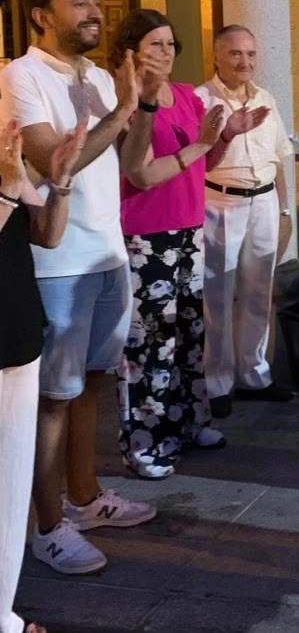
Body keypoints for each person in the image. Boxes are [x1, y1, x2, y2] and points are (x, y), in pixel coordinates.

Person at [0, 0, 155, 577]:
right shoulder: (22, 75)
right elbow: (49, 161)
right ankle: (47, 529)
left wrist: (141, 108)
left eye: (95, 2)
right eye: (80, 3)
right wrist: (120, 112)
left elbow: (128, 162)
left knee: (91, 384)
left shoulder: (97, 77)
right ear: (43, 16)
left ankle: (85, 500)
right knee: (51, 401)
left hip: (106, 252)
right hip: (56, 261)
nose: (95, 13)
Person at [113, 10, 266, 478]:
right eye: (154, 45)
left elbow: (205, 161)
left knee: (188, 333)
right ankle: (146, 442)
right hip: (146, 234)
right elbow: (141, 174)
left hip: (188, 227)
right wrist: (200, 145)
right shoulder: (128, 102)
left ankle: (189, 420)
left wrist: (226, 137)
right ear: (131, 53)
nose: (165, 53)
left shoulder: (184, 95)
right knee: (150, 342)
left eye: (169, 44)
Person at [0, 116, 82, 633]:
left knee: (10, 492)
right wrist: (7, 192)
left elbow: (48, 235)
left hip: (18, 337)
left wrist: (62, 180)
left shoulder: (4, 164)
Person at [196, 25, 292, 420]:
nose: (245, 62)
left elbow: (279, 157)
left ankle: (254, 374)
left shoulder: (266, 98)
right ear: (217, 55)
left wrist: (284, 210)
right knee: (218, 295)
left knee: (259, 291)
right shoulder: (201, 100)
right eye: (236, 53)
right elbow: (197, 160)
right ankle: (217, 382)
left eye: (251, 54)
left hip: (264, 200)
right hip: (221, 201)